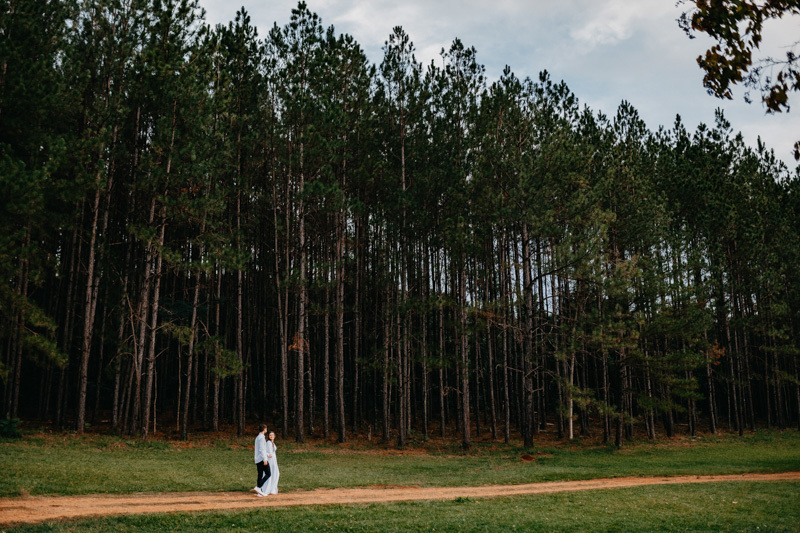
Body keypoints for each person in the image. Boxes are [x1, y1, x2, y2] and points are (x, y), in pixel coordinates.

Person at [252, 424, 270, 497]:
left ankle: (259, 491)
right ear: (264, 429)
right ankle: (259, 487)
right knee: (268, 473)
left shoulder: (258, 437)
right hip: (261, 459)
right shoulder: (262, 438)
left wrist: (267, 454)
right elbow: (262, 449)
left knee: (260, 474)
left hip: (257, 458)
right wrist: (265, 459)